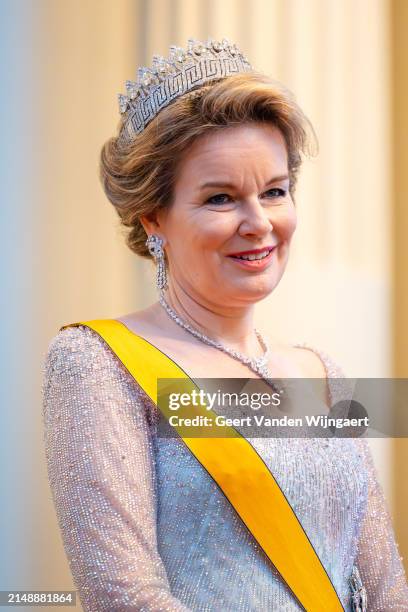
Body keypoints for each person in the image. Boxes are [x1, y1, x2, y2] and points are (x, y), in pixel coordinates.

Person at [42, 38, 408, 611]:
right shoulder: (99, 362)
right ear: (153, 215)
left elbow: (386, 587)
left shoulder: (324, 373)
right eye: (220, 198)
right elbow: (123, 596)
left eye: (275, 191)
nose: (259, 222)